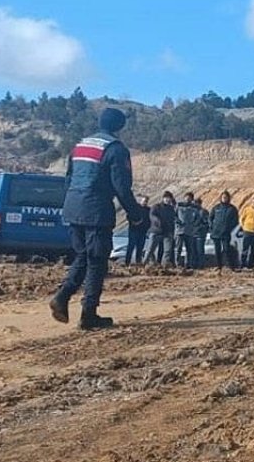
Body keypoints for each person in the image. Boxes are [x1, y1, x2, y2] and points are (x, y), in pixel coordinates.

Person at [48, 108, 148, 330]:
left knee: (83, 256)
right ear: (120, 127)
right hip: (96, 211)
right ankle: (87, 312)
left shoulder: (80, 145)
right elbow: (122, 187)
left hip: (73, 208)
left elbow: (68, 179)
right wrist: (135, 215)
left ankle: (64, 298)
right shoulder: (115, 149)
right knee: (97, 261)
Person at [210, 191, 240, 271]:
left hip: (226, 233)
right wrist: (212, 227)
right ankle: (219, 266)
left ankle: (230, 266)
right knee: (217, 250)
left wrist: (229, 228)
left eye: (226, 197)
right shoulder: (216, 208)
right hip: (216, 233)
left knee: (227, 249)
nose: (224, 198)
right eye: (223, 197)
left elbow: (235, 221)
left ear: (228, 198)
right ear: (221, 198)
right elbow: (210, 218)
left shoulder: (232, 209)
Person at [148, 191, 177, 266]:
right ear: (163, 198)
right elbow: (152, 215)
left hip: (167, 232)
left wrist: (172, 231)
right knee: (150, 250)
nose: (168, 200)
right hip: (156, 231)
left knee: (167, 250)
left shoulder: (171, 209)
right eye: (166, 198)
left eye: (169, 198)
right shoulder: (156, 206)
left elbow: (173, 219)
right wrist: (158, 222)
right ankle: (146, 264)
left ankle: (164, 266)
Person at [175, 192, 203, 268]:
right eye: (186, 197)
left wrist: (194, 224)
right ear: (184, 197)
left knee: (189, 249)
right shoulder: (179, 205)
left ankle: (188, 264)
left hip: (190, 231)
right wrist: (178, 222)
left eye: (190, 197)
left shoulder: (195, 207)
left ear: (192, 199)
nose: (188, 199)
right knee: (178, 249)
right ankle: (177, 264)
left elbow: (198, 218)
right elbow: (174, 215)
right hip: (180, 231)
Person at [124, 195, 151, 265]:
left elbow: (150, 220)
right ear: (141, 200)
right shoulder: (135, 208)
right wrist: (134, 222)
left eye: (146, 201)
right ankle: (127, 263)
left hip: (143, 231)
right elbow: (128, 216)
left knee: (140, 248)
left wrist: (147, 227)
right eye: (144, 200)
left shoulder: (148, 210)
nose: (145, 202)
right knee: (131, 247)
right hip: (134, 230)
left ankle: (138, 263)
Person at [239, 195, 254, 269]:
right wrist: (243, 227)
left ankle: (250, 265)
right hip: (248, 231)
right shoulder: (247, 209)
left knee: (253, 249)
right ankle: (243, 264)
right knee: (245, 249)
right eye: (253, 202)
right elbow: (241, 219)